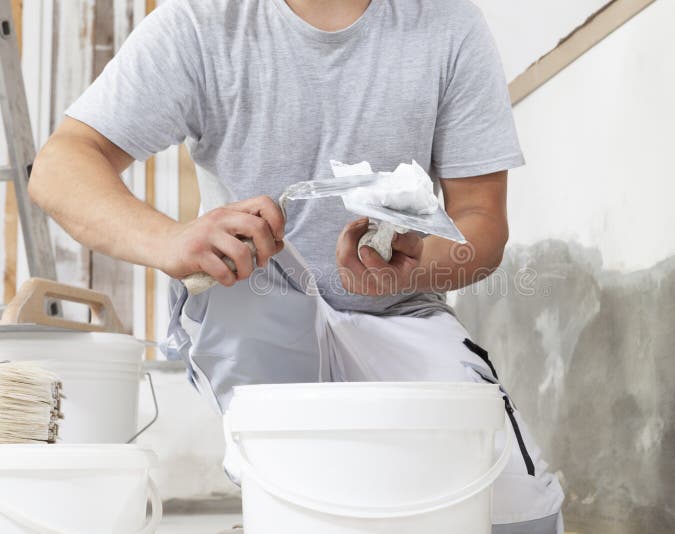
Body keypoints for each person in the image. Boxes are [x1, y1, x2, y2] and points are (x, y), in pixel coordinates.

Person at [29, 0, 565, 531]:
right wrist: (170, 238)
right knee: (314, 496)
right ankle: (283, 482)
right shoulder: (201, 21)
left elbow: (482, 219)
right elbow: (62, 164)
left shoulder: (447, 23)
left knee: (523, 518)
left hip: (400, 313)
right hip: (258, 306)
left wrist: (413, 267)